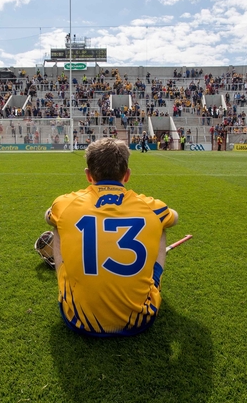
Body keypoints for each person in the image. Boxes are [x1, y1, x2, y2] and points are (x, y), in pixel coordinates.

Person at [42, 138, 179, 337]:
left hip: (78, 319)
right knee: (162, 224)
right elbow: (174, 218)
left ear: (88, 176)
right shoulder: (153, 207)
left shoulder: (64, 204)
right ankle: (153, 280)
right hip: (140, 320)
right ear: (127, 175)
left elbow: (48, 217)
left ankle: (69, 292)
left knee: (57, 227)